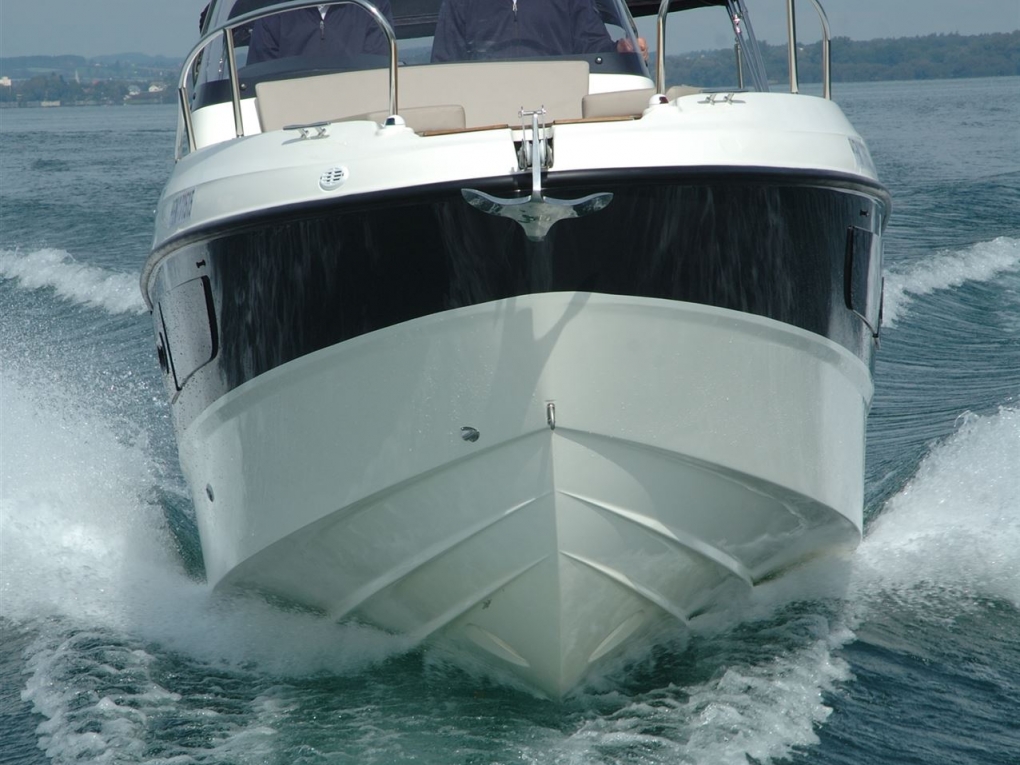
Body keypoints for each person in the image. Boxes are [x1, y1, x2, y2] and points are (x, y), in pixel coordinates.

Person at [431, 0, 647, 63]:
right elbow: (445, 67)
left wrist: (621, 52)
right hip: (483, 123)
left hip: (563, 116)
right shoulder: (459, 2)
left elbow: (594, 51)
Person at [247, 1, 395, 64]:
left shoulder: (373, 8)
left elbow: (377, 71)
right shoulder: (271, 14)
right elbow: (260, 82)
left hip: (359, 110)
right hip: (289, 111)